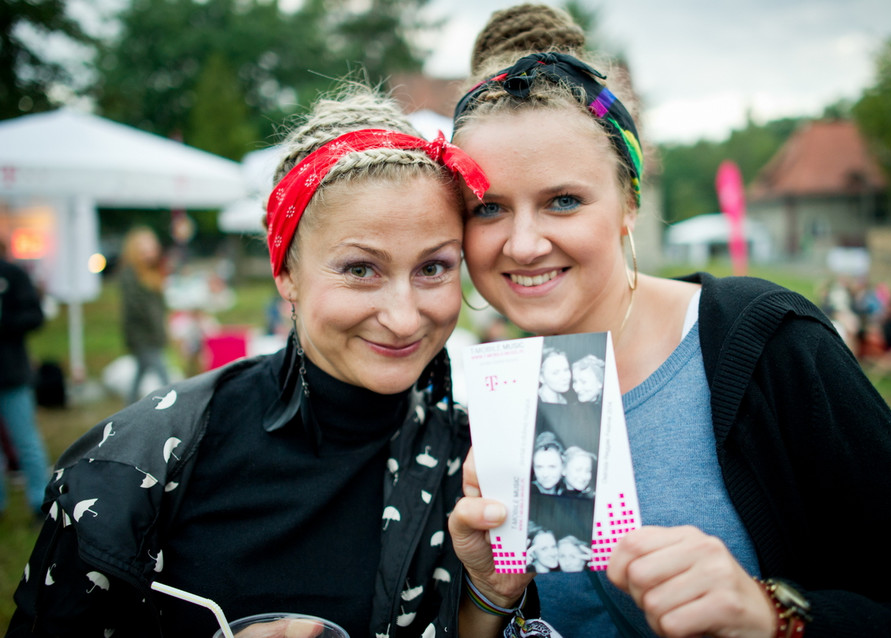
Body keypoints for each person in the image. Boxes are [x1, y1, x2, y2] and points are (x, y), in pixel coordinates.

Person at [450, 4, 891, 637]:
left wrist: (772, 618)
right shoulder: (488, 402)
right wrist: (489, 597)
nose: (523, 244)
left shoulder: (766, 341)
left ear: (629, 202)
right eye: (489, 207)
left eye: (563, 201)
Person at [8, 84, 535, 638]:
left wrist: (490, 597)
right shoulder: (142, 465)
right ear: (285, 271)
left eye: (433, 268)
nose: (404, 318)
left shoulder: (478, 463)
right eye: (360, 269)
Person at [0, 239, 50, 520]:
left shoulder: (12, 275)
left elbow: (34, 315)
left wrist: (5, 322)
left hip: (10, 371)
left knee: (25, 439)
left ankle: (39, 500)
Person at [118, 226, 171, 404]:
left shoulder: (152, 273)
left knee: (141, 372)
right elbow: (138, 308)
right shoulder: (131, 275)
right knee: (162, 374)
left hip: (152, 334)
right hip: (142, 335)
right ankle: (174, 402)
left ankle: (129, 405)